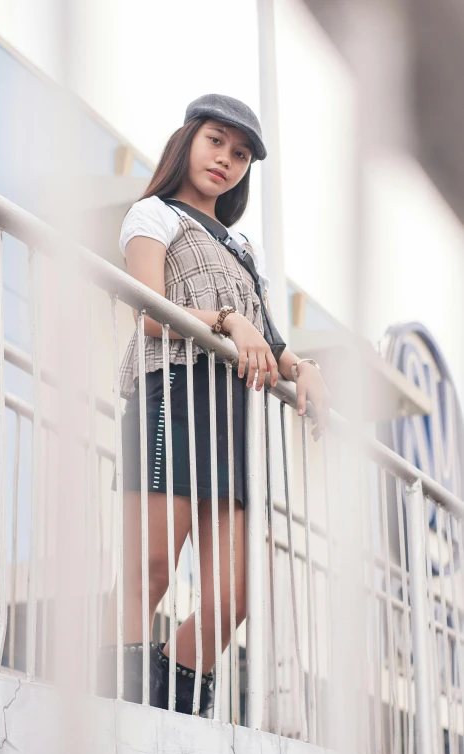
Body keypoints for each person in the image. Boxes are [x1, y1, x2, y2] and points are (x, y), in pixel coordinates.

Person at [97, 94, 331, 716]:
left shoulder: (242, 249)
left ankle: (168, 707)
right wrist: (226, 322)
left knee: (233, 596)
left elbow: (272, 345)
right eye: (216, 141)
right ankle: (111, 703)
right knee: (151, 567)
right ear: (188, 141)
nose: (226, 159)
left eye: (241, 153)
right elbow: (148, 311)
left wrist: (304, 368)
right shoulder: (154, 215)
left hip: (231, 421)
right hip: (170, 395)